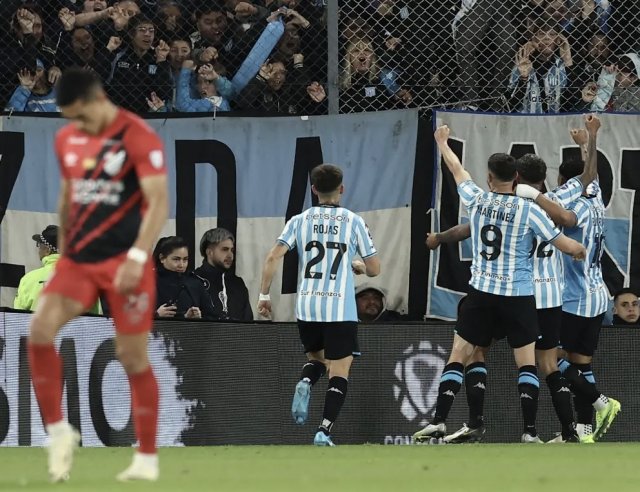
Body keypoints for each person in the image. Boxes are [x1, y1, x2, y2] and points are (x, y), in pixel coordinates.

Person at [27, 68, 168, 482]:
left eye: (81, 116)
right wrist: (66, 252)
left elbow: (159, 202)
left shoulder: (138, 136)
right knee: (39, 331)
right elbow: (68, 196)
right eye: (70, 119)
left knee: (132, 356)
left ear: (98, 100)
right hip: (81, 261)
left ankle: (146, 458)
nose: (77, 125)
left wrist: (138, 257)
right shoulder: (66, 139)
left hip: (127, 261)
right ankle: (59, 434)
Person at [426, 116, 602, 444]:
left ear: (491, 177)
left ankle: (454, 421)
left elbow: (457, 174)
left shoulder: (480, 200)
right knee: (541, 363)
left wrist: (442, 143)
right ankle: (544, 430)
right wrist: (589, 139)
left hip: (488, 290)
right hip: (535, 295)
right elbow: (583, 188)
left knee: (470, 351)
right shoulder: (548, 203)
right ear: (538, 178)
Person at [257, 164, 380, 446]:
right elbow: (375, 269)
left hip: (308, 306)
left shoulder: (299, 220)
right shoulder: (353, 221)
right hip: (339, 308)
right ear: (342, 188)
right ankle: (324, 430)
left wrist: (264, 295)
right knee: (340, 370)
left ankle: (306, 381)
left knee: (317, 361)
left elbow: (273, 256)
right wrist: (360, 266)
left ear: (314, 190)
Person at [517, 124, 622, 444]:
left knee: (551, 360)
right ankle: (584, 431)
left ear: (564, 182)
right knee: (581, 363)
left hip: (575, 295)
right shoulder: (596, 196)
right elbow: (591, 174)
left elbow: (567, 219)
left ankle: (600, 401)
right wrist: (587, 141)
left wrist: (536, 196)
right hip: (597, 293)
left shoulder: (574, 207)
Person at [195, 228, 253, 321]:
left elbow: (248, 321)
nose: (230, 255)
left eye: (232, 250)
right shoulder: (194, 280)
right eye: (225, 249)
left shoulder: (238, 283)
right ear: (209, 252)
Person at [153, 236, 215, 320]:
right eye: (176, 259)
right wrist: (156, 315)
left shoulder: (195, 284)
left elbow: (212, 318)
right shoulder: (148, 282)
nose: (181, 265)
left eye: (185, 259)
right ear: (162, 258)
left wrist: (198, 318)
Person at [14, 226, 61, 311]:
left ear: (47, 250)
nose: (39, 250)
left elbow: (16, 314)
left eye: (39, 245)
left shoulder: (28, 279)